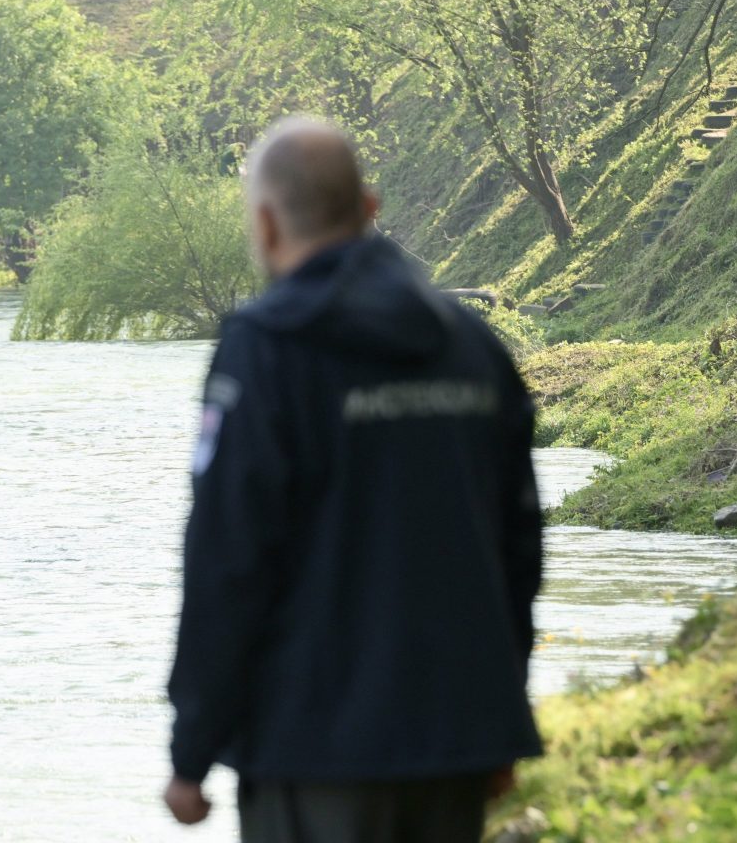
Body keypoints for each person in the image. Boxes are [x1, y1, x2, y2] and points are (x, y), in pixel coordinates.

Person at [163, 117, 543, 842]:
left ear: (267, 224)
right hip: (453, 734)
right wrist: (497, 716)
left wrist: (192, 750)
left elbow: (228, 560)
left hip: (312, 745)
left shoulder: (266, 350)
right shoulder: (471, 345)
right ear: (369, 209)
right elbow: (519, 544)